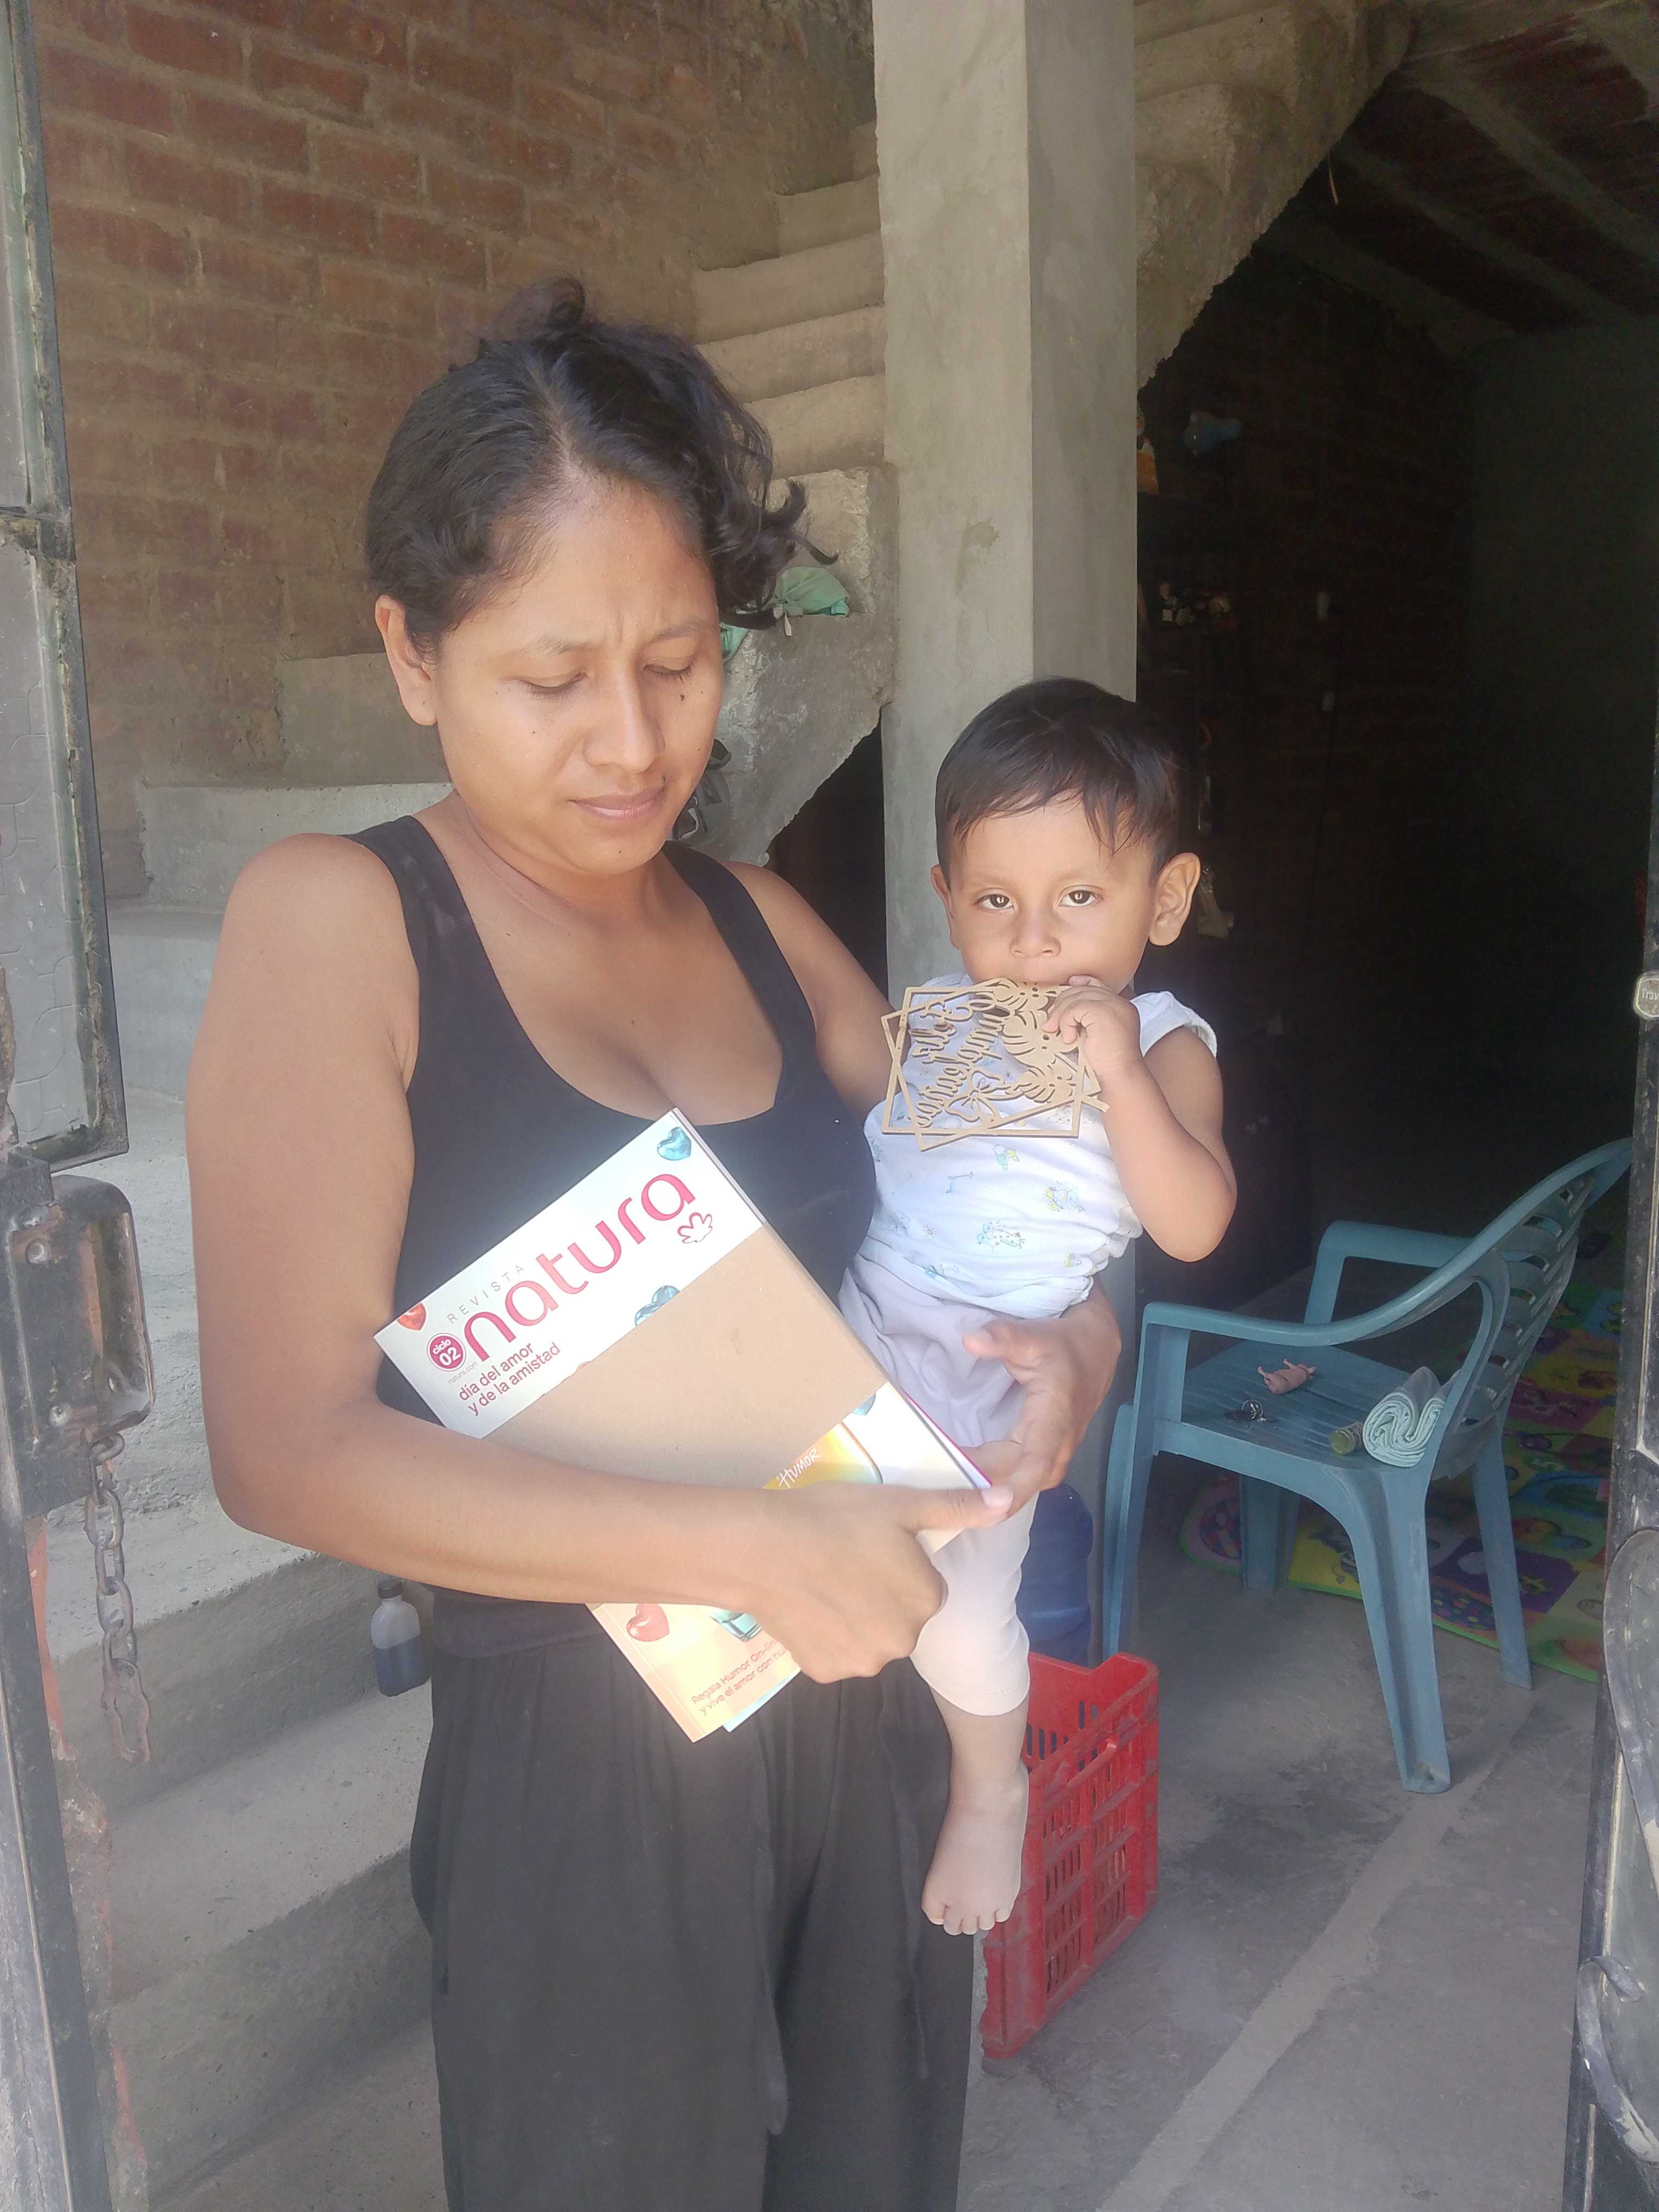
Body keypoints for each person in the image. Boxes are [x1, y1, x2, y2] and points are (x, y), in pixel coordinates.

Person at [185, 284, 1122, 2212]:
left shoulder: (764, 919)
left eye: (680, 663)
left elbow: (1026, 1161)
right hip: (585, 1779)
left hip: (871, 1713)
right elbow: (282, 1448)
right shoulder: (342, 925)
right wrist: (741, 1548)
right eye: (552, 679)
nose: (632, 741)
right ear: (411, 653)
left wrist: (1085, 1354)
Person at [840, 678, 1237, 1936]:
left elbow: (1194, 1220)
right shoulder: (946, 1021)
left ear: (1162, 900)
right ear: (948, 895)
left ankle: (987, 1786)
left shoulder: (1166, 1041)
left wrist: (1119, 1074)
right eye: (995, 902)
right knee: (797, 1522)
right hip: (869, 1311)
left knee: (965, 1617)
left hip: (998, 1365)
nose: (1034, 943)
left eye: (1080, 898)